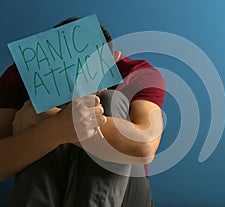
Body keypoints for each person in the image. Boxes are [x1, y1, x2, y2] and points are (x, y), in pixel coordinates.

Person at [0, 17, 165, 207]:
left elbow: (144, 147)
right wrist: (53, 129)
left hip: (126, 195)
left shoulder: (136, 72)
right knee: (44, 102)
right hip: (52, 187)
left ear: (114, 59)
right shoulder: (24, 76)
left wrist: (48, 120)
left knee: (111, 100)